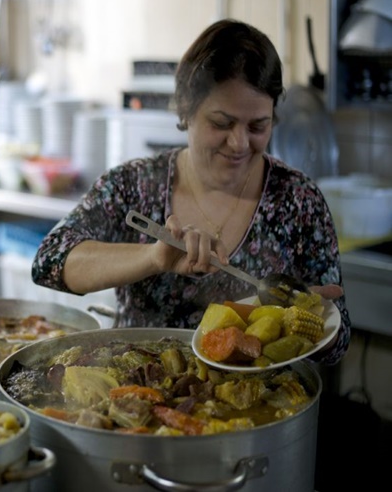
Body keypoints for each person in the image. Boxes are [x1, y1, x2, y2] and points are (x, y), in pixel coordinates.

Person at [32, 18, 350, 365]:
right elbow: (49, 261)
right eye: (221, 123)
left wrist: (315, 323)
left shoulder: (298, 201)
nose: (239, 143)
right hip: (139, 402)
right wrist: (153, 258)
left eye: (258, 125)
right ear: (186, 110)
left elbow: (340, 340)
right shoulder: (134, 185)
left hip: (263, 409)